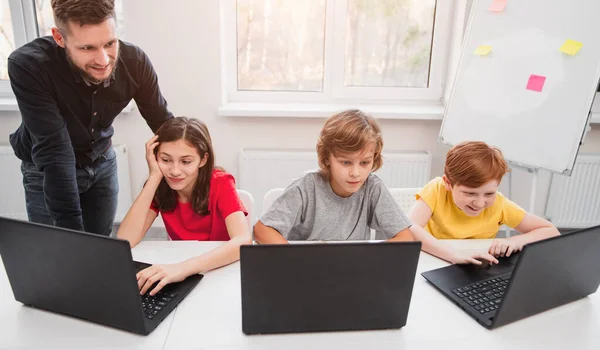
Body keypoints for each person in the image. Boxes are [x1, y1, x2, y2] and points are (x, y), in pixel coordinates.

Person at [8, 0, 173, 236]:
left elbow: (163, 122)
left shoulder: (134, 62)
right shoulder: (29, 66)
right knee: (58, 252)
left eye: (109, 43)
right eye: (87, 48)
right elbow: (55, 150)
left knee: (100, 246)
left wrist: (203, 171)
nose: (104, 60)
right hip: (47, 169)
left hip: (102, 162)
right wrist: (74, 242)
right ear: (59, 38)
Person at [117, 117, 251, 296]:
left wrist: (185, 268)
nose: (175, 171)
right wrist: (155, 176)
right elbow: (125, 240)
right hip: (180, 267)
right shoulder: (160, 185)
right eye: (165, 159)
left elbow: (243, 240)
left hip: (219, 269)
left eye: (186, 162)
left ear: (203, 160)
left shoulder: (221, 183)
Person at [253, 109, 414, 244]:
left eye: (364, 163)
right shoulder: (306, 187)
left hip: (351, 272)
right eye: (345, 163)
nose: (355, 173)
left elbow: (405, 238)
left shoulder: (373, 188)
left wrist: (366, 257)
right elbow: (262, 230)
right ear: (327, 158)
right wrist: (297, 260)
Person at [408, 141, 560, 264]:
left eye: (489, 193)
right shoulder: (437, 189)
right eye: (470, 193)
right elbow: (410, 228)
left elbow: (551, 231)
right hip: (433, 259)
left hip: (476, 264)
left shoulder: (499, 204)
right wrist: (453, 255)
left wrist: (514, 241)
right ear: (448, 183)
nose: (480, 203)